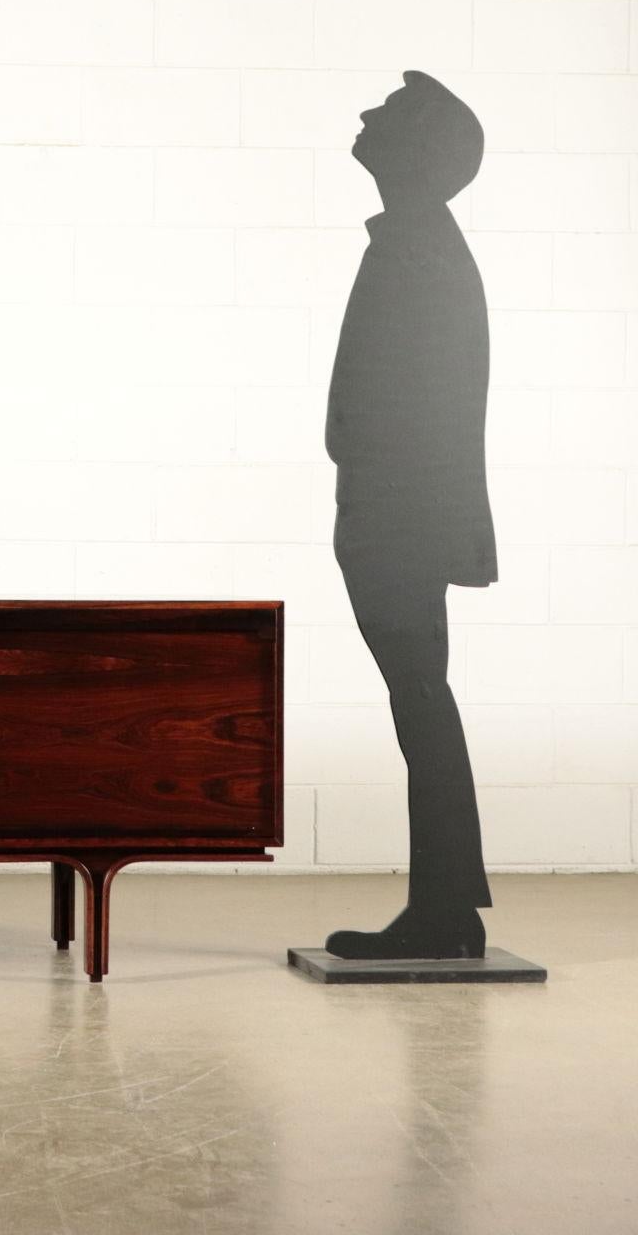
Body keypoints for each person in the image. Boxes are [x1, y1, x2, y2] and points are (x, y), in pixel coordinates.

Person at [324, 71, 496, 961]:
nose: (365, 116)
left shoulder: (421, 251)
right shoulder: (418, 244)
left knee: (421, 703)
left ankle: (446, 911)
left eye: (387, 113)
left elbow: (427, 409)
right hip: (394, 518)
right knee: (421, 703)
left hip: (398, 522)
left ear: (418, 151)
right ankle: (447, 906)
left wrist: (383, 512)